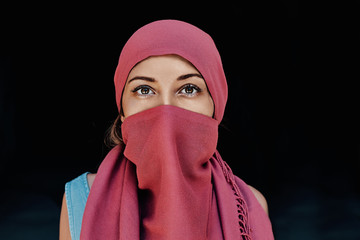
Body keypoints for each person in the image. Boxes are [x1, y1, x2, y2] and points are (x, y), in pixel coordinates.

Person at [59, 19, 274, 240]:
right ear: (122, 110)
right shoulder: (82, 200)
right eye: (144, 90)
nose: (165, 109)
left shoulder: (248, 208)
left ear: (215, 107)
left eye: (189, 89)